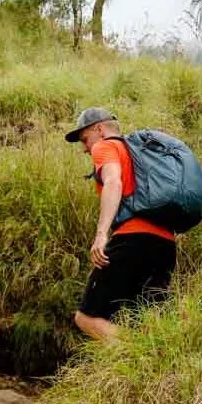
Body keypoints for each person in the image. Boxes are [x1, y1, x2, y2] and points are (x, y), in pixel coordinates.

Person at [65, 107, 177, 342]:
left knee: (87, 318)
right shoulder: (140, 155)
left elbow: (113, 181)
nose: (85, 148)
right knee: (147, 320)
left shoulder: (105, 147)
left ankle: (140, 355)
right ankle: (158, 364)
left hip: (133, 240)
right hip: (165, 244)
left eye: (85, 139)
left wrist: (101, 234)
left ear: (99, 129)